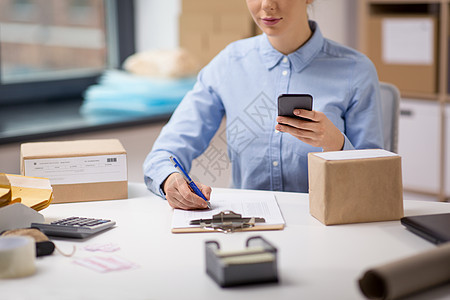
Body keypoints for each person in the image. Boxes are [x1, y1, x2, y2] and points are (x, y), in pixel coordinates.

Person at [143, 0, 384, 210]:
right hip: (246, 227)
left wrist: (336, 145)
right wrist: (170, 180)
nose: (266, 5)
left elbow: (376, 181)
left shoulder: (355, 70)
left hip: (327, 224)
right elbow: (165, 153)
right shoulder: (229, 64)